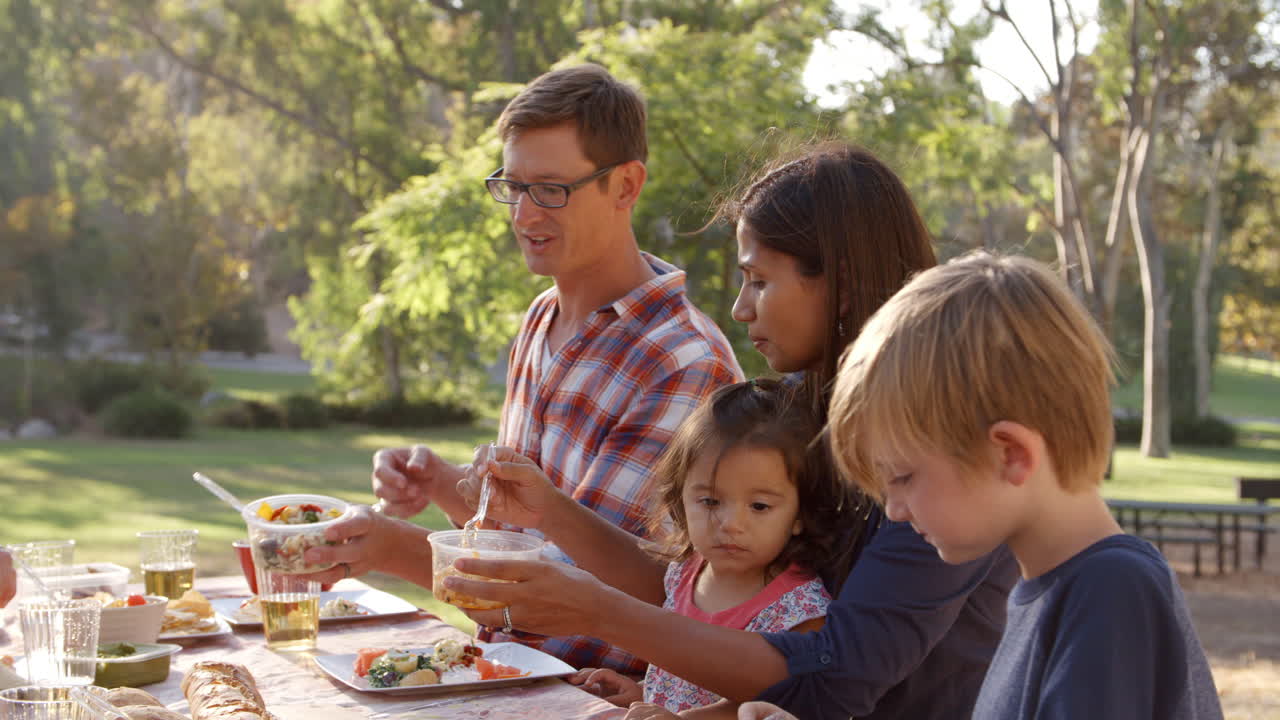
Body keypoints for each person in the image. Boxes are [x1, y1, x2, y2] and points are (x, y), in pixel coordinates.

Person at [444, 142, 1019, 720]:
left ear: (840, 284)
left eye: (759, 281)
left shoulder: (939, 452)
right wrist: (549, 511)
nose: (741, 309)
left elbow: (838, 676)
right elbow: (701, 583)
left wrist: (598, 612)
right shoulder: (801, 415)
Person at [304, 64, 742, 674]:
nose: (524, 217)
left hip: (594, 698)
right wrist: (444, 483)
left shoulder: (682, 363)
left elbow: (604, 592)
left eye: (551, 190)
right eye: (513, 187)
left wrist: (394, 549)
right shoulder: (543, 315)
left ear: (625, 185)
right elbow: (535, 527)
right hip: (502, 674)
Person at [826, 251, 1223, 720]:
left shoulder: (1110, 591)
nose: (893, 510)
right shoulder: (1048, 589)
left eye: (903, 478)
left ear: (1010, 453)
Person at [572, 379, 835, 713]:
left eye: (759, 507)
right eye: (710, 501)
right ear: (681, 499)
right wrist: (641, 692)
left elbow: (780, 705)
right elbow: (684, 682)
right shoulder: (685, 573)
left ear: (800, 513)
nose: (731, 524)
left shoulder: (801, 611)